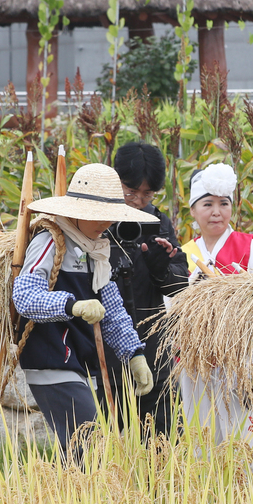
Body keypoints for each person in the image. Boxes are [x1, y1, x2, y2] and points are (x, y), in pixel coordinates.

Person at [12, 163, 155, 462]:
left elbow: (113, 310)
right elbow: (24, 297)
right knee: (90, 445)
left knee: (80, 451)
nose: (104, 223)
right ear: (76, 210)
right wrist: (72, 305)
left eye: (109, 216)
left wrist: (134, 354)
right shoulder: (49, 241)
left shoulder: (96, 251)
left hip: (77, 363)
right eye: (96, 214)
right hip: (51, 360)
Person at [177, 162, 253, 443]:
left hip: (239, 360)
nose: (216, 212)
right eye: (207, 204)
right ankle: (205, 486)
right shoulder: (184, 253)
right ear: (193, 211)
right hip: (195, 360)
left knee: (244, 433)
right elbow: (170, 305)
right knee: (201, 433)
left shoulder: (248, 246)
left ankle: (249, 487)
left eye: (224, 204)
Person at [104, 142, 189, 435]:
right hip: (103, 358)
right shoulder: (95, 217)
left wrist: (161, 266)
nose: (138, 201)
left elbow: (179, 285)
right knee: (96, 452)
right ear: (115, 181)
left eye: (147, 194)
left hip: (154, 353)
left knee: (164, 447)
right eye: (130, 192)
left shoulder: (157, 221)